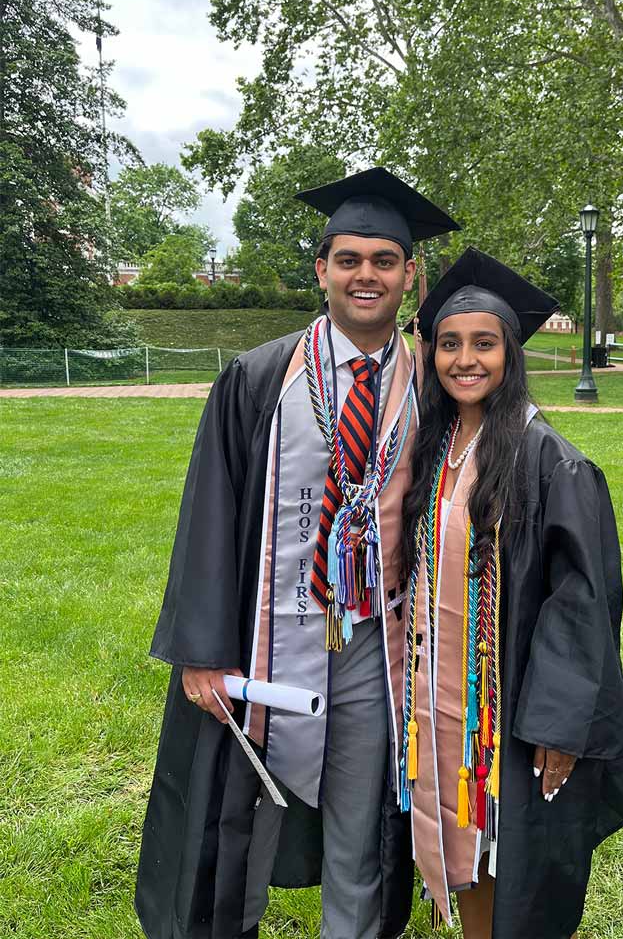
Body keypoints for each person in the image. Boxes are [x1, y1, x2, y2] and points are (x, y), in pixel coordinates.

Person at [135, 167, 460, 939]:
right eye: (349, 259)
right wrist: (202, 652)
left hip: (375, 646)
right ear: (322, 270)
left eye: (385, 261)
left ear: (410, 275)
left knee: (361, 822)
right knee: (234, 823)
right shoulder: (259, 378)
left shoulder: (434, 381)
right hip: (261, 643)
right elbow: (208, 516)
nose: (366, 275)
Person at [398, 247, 623, 938]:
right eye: (449, 344)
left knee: (509, 856)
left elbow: (582, 601)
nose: (464, 359)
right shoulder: (437, 443)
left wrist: (556, 726)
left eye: (484, 343)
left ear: (511, 354)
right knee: (468, 850)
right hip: (443, 698)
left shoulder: (551, 460)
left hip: (511, 712)